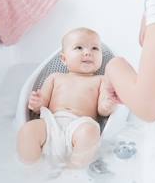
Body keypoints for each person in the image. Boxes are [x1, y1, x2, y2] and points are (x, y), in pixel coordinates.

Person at [17, 27, 118, 168]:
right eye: (79, 48)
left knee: (90, 132)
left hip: (79, 126)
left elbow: (102, 110)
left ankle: (72, 172)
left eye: (95, 48)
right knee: (28, 130)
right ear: (64, 59)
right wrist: (36, 103)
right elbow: (41, 106)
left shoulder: (101, 80)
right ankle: (32, 171)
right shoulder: (55, 77)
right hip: (51, 124)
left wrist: (108, 105)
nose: (88, 52)